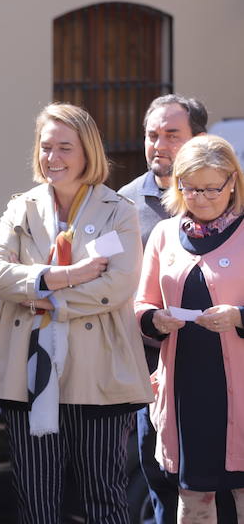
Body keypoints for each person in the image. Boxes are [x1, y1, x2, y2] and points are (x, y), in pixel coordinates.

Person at [0, 103, 153, 523]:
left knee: (103, 494)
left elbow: (118, 285)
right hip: (29, 370)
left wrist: (45, 298)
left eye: (64, 148)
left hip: (98, 372)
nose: (52, 158)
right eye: (45, 148)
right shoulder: (20, 207)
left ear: (87, 153)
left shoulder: (117, 210)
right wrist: (62, 276)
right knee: (34, 496)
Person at [117, 95, 239, 523]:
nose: (200, 197)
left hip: (234, 388)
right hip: (170, 388)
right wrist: (154, 320)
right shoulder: (143, 218)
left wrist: (239, 316)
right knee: (177, 498)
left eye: (210, 188)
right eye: (190, 188)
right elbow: (137, 301)